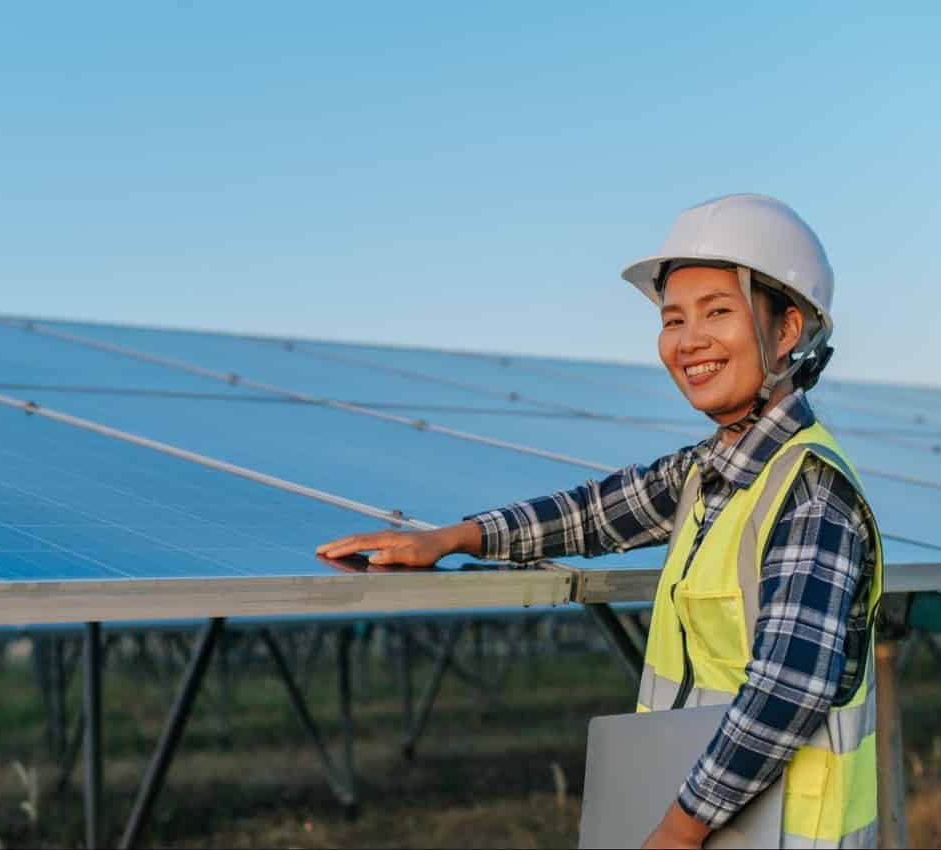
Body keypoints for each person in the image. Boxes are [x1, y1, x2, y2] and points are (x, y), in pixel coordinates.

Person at [317, 194, 883, 849]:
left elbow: (785, 693)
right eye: (673, 319)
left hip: (782, 833)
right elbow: (593, 514)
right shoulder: (710, 470)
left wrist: (677, 829)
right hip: (715, 818)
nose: (688, 341)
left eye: (718, 312)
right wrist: (452, 537)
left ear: (787, 331)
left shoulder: (811, 495)